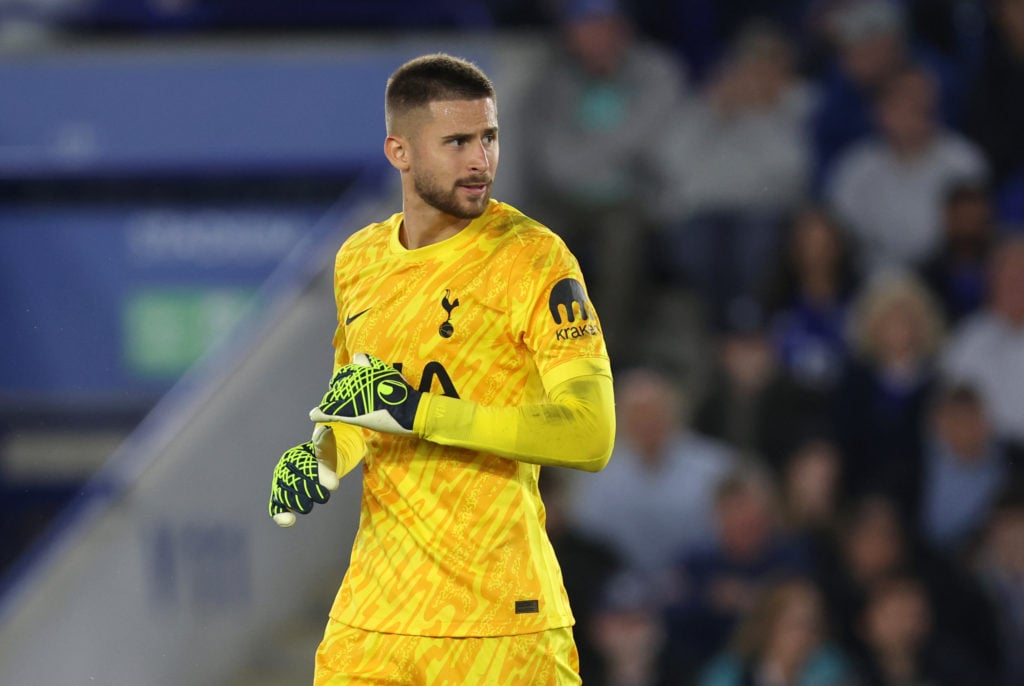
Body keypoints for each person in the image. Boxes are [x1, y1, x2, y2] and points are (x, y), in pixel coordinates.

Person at [265, 54, 616, 685]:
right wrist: (318, 460)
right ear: (399, 151)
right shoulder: (359, 260)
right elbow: (358, 411)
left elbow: (590, 433)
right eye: (457, 142)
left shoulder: (534, 260)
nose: (480, 159)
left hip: (501, 627)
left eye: (489, 137)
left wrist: (422, 414)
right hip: (374, 621)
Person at [571, 367, 734, 580]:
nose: (646, 421)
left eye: (653, 411)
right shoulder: (596, 474)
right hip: (619, 587)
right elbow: (588, 537)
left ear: (674, 412)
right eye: (637, 413)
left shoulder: (715, 467)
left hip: (702, 583)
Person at [699, 578, 854, 686]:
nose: (805, 635)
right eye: (795, 625)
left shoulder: (832, 669)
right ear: (768, 625)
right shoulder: (730, 674)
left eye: (813, 625)